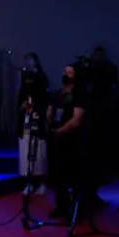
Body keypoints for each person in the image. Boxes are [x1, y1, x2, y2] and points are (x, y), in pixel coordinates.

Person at [47, 65, 89, 219]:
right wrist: (49, 124)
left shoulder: (79, 94)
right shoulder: (57, 94)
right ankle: (61, 206)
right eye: (64, 71)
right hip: (57, 141)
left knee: (74, 176)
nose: (65, 74)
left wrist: (61, 130)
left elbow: (77, 120)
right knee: (59, 176)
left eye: (69, 72)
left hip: (73, 141)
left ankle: (77, 210)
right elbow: (49, 113)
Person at [17, 53, 50, 195]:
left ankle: (42, 182)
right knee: (26, 151)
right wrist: (23, 105)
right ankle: (29, 182)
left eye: (31, 60)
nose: (28, 63)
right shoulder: (24, 77)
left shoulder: (42, 78)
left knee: (39, 152)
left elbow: (44, 99)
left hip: (38, 119)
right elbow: (20, 98)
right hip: (25, 121)